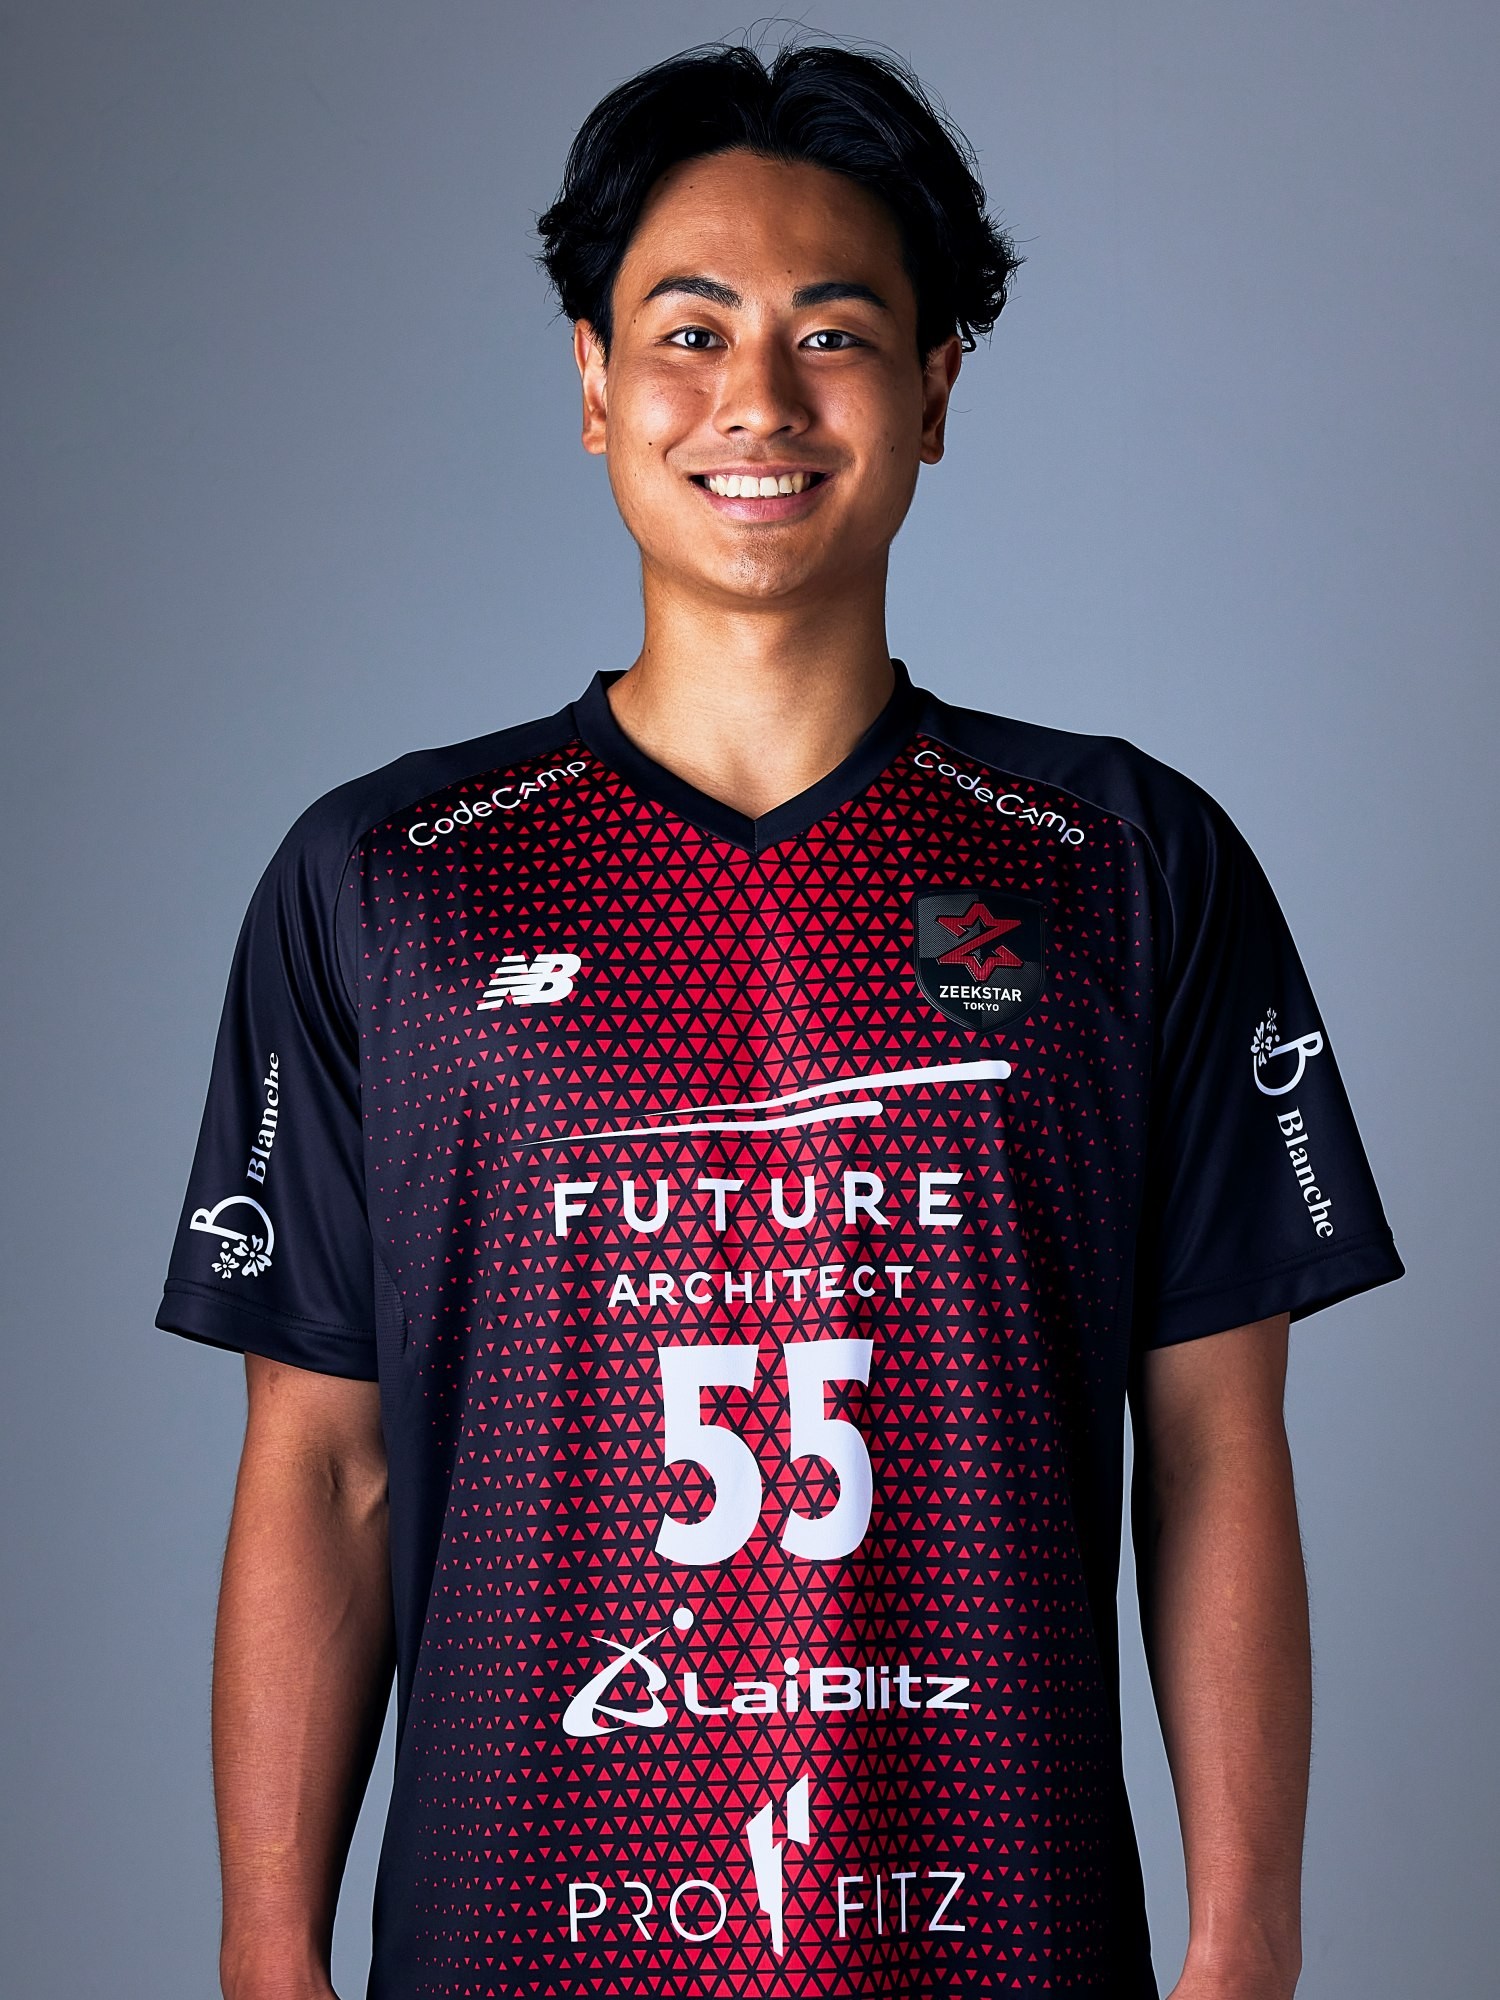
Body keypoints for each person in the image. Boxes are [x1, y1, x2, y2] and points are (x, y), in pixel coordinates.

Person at [157, 41, 1403, 2000]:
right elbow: (324, 1462)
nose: (759, 398)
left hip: (995, 1944)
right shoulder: (385, 881)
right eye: (691, 332)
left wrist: (1246, 1944)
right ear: (592, 382)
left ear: (934, 391)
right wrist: (263, 1952)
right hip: (517, 1949)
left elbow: (1218, 1443)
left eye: (832, 333)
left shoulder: (1129, 863)